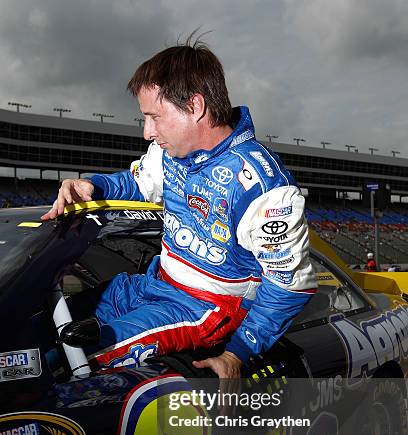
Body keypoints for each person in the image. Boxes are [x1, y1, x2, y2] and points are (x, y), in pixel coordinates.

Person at [42, 38, 316, 378]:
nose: (147, 132)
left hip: (204, 309)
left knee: (76, 359)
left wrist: (237, 354)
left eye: (154, 117)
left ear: (195, 106)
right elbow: (138, 183)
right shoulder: (169, 152)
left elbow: (289, 285)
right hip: (153, 283)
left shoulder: (264, 188)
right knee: (42, 324)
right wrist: (93, 185)